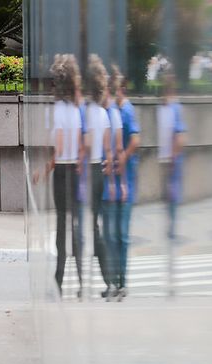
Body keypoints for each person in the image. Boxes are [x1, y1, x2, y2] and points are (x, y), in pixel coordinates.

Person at [49, 54, 84, 296]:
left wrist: (47, 165)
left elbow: (58, 145)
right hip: (76, 168)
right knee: (77, 223)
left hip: (61, 168)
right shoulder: (77, 109)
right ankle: (82, 279)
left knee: (62, 223)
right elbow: (82, 142)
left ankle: (59, 279)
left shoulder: (58, 110)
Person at [85, 54, 114, 299]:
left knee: (82, 228)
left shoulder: (82, 113)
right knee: (94, 227)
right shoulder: (103, 114)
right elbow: (108, 153)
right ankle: (109, 280)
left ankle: (87, 280)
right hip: (97, 172)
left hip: (83, 171)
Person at [114, 75, 141, 299]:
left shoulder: (126, 110)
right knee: (114, 233)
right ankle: (117, 279)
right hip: (115, 180)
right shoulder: (115, 110)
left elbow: (135, 140)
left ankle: (121, 280)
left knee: (121, 233)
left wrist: (122, 159)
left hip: (126, 180)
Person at [102, 65, 125, 300]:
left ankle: (116, 283)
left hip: (111, 180)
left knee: (111, 233)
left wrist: (117, 183)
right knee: (107, 232)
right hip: (106, 179)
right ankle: (113, 282)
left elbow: (116, 150)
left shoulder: (114, 114)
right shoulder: (106, 112)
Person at [157, 75, 186, 240]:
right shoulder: (164, 107)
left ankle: (172, 227)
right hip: (166, 157)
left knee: (172, 194)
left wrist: (173, 158)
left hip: (172, 159)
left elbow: (180, 137)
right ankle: (170, 225)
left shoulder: (175, 108)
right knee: (169, 194)